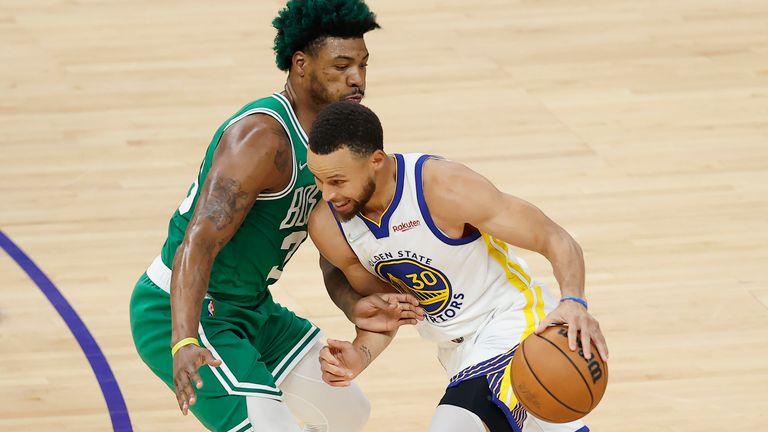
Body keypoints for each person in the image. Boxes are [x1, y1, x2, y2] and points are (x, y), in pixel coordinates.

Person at [128, 2, 424, 431]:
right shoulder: (262, 139)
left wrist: (354, 303)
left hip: (252, 308)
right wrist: (184, 339)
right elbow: (199, 240)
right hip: (186, 309)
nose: (357, 78)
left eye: (362, 65)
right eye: (341, 66)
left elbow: (329, 247)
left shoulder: (335, 139)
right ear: (301, 65)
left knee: (347, 413)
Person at [306, 101, 610, 432]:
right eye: (319, 180)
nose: (327, 194)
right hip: (456, 354)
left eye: (337, 181)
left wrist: (573, 301)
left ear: (376, 161)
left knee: (450, 425)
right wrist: (359, 355)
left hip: (513, 320)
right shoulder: (331, 227)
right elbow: (391, 311)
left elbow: (552, 236)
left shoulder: (442, 186)